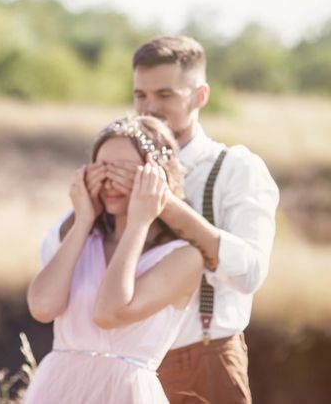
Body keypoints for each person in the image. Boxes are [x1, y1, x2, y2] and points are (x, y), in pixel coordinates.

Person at [124, 36, 279, 403]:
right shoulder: (123, 166)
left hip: (203, 359)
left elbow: (249, 272)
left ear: (200, 96)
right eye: (140, 96)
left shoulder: (237, 168)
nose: (149, 109)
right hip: (128, 364)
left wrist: (169, 207)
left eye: (165, 95)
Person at [25, 115, 204, 404]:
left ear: (157, 177)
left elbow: (108, 313)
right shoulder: (81, 242)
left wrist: (139, 222)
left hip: (125, 393)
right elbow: (43, 307)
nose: (111, 181)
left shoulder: (184, 257)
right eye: (103, 169)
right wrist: (83, 219)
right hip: (56, 389)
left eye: (126, 171)